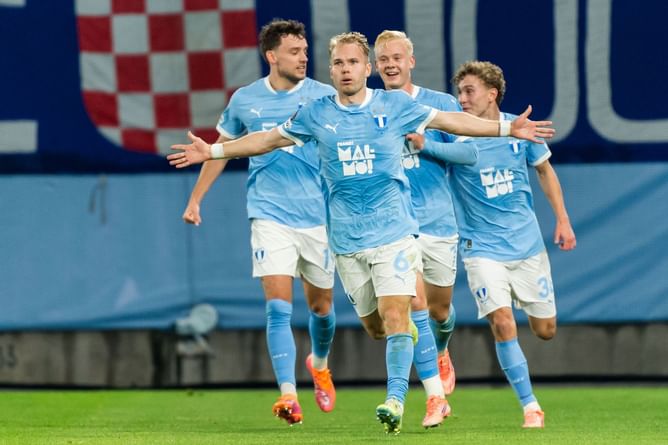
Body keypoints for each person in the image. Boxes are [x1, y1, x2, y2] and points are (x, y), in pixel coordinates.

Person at [168, 32, 554, 435]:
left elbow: (450, 120)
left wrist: (505, 129)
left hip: (395, 232)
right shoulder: (316, 113)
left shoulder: (394, 105)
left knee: (399, 314)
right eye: (338, 63)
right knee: (376, 327)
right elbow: (267, 139)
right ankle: (394, 352)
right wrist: (213, 151)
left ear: (367, 69)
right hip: (348, 241)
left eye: (353, 62)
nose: (346, 70)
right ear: (331, 70)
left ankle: (396, 400)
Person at [179, 19, 338, 426]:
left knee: (321, 307)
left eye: (305, 51)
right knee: (277, 308)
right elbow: (222, 150)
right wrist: (196, 199)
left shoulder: (323, 96)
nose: (303, 58)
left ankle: (319, 364)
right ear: (272, 56)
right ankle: (288, 395)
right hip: (269, 214)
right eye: (294, 52)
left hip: (318, 218)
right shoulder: (245, 100)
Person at [449, 60, 576, 428]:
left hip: (526, 246)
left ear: (492, 94)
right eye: (460, 92)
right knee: (502, 322)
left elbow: (545, 171)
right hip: (481, 248)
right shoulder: (454, 133)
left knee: (545, 330)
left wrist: (563, 219)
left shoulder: (519, 129)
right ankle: (530, 406)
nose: (462, 98)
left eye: (469, 91)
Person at [373, 30, 478, 428]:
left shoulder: (440, 104)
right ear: (375, 65)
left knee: (439, 310)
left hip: (439, 223)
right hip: (397, 226)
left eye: (397, 57)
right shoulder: (370, 108)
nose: (391, 65)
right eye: (384, 59)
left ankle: (443, 347)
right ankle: (434, 398)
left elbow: (469, 152)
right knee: (415, 305)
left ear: (411, 61)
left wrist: (426, 145)